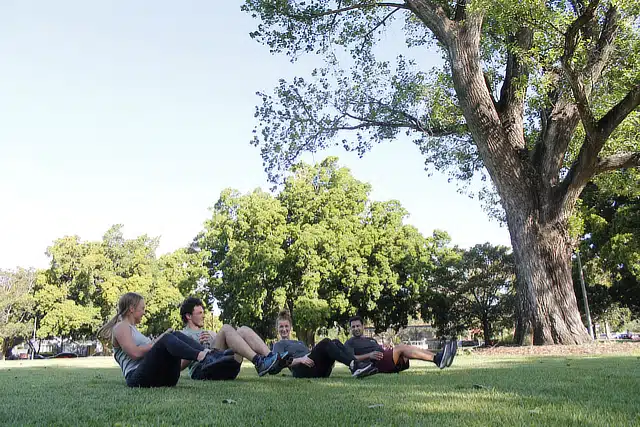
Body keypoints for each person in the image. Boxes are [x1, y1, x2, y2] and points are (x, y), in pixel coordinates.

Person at [97, 292, 235, 388]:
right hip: (137, 378)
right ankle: (203, 357)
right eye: (142, 308)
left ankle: (211, 355)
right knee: (168, 337)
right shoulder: (121, 327)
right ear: (132, 309)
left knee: (174, 335)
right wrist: (159, 341)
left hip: (164, 378)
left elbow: (151, 350)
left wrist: (160, 340)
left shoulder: (133, 329)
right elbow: (135, 353)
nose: (144, 312)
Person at [179, 296, 290, 379]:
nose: (203, 315)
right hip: (202, 370)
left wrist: (216, 337)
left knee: (242, 330)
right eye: (199, 313)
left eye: (203, 312)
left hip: (224, 366)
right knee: (226, 328)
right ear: (188, 316)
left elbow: (221, 345)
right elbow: (179, 366)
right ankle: (259, 362)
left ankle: (272, 358)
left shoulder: (208, 333)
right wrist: (195, 349)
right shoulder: (183, 335)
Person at [272, 310, 377, 379]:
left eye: (286, 326)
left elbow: (311, 354)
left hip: (317, 369)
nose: (284, 329)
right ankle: (355, 366)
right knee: (326, 341)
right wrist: (300, 359)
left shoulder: (298, 342)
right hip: (301, 371)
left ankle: (357, 364)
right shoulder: (279, 345)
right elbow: (278, 364)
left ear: (290, 327)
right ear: (277, 328)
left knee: (335, 342)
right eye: (281, 327)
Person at [344, 316, 456, 374]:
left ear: (363, 326)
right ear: (350, 329)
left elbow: (380, 350)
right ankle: (438, 359)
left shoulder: (370, 339)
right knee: (401, 347)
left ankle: (440, 357)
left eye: (358, 326)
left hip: (385, 358)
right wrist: (369, 355)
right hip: (374, 365)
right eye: (353, 327)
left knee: (404, 349)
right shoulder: (350, 342)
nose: (356, 329)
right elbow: (350, 359)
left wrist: (385, 347)